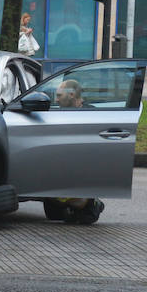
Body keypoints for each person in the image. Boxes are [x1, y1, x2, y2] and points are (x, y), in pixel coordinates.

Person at [51, 79, 104, 223]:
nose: (56, 100)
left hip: (81, 167)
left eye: (59, 95)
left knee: (84, 214)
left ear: (72, 95)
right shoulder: (56, 114)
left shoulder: (91, 114)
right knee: (53, 212)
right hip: (60, 166)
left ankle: (90, 203)